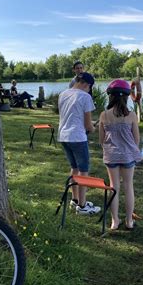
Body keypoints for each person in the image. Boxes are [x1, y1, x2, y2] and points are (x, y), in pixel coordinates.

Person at [99, 79, 142, 230]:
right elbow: (136, 139)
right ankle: (129, 221)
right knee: (128, 186)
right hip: (128, 156)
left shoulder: (104, 115)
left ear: (110, 96)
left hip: (111, 156)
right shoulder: (131, 116)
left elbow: (101, 139)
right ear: (126, 96)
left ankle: (114, 221)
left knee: (113, 187)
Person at [58, 72, 101, 215]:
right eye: (89, 87)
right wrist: (93, 128)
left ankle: (74, 199)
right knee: (83, 170)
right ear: (86, 84)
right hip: (77, 138)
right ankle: (82, 206)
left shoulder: (63, 94)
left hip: (64, 136)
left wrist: (87, 126)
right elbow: (88, 126)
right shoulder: (85, 97)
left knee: (74, 167)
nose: (89, 90)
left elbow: (71, 117)